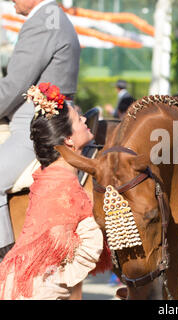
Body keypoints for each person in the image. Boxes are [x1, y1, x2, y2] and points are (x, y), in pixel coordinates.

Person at [0, 83, 111, 300]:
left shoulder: (51, 174)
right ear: (68, 140)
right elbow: (89, 244)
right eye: (79, 119)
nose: (86, 120)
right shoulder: (61, 185)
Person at [0, 0, 81, 261]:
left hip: (34, 123)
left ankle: (6, 262)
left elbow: (14, 86)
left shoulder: (42, 22)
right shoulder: (52, 17)